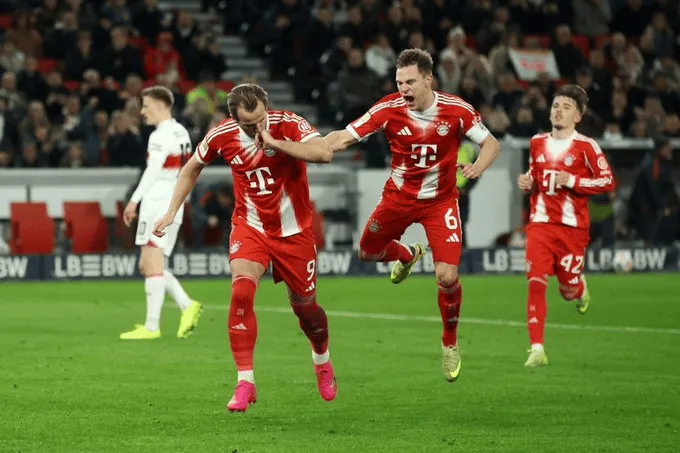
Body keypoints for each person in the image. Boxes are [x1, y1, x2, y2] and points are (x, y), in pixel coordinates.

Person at [152, 83, 337, 412]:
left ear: (267, 106)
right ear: (234, 119)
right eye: (248, 125)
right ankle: (245, 382)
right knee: (241, 292)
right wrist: (171, 211)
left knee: (306, 309)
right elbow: (192, 167)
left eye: (260, 119)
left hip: (294, 232)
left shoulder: (288, 124)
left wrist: (275, 142)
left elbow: (324, 153)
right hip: (250, 226)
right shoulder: (222, 135)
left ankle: (321, 360)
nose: (256, 128)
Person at [324, 49, 501, 383]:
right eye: (399, 82)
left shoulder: (456, 110)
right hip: (399, 198)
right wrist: (316, 146)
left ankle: (449, 342)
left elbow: (491, 143)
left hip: (440, 202)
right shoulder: (388, 109)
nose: (403, 88)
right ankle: (407, 254)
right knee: (367, 253)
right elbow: (343, 137)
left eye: (410, 82)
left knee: (447, 276)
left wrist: (478, 167)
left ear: (428, 79)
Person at [517, 84, 616, 367]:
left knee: (566, 291)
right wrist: (528, 182)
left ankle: (579, 288)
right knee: (536, 282)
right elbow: (535, 176)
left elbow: (607, 181)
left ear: (578, 116)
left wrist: (572, 180)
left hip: (572, 229)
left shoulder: (586, 146)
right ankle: (537, 349)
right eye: (556, 106)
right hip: (540, 224)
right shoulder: (536, 142)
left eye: (566, 107)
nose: (558, 111)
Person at [120, 86, 202, 340]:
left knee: (152, 264)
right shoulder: (181, 132)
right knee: (148, 264)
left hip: (157, 203)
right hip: (174, 202)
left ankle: (152, 327)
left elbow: (152, 171)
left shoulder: (159, 135)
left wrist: (133, 201)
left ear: (160, 105)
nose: (143, 112)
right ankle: (186, 304)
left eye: (146, 106)